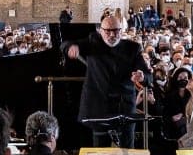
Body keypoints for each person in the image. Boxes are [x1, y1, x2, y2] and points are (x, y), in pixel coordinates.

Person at [63, 13, 150, 147]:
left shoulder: (132, 48)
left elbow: (148, 76)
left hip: (124, 107)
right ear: (100, 31)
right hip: (99, 107)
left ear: (121, 31)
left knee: (127, 150)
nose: (111, 35)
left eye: (115, 31)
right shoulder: (93, 42)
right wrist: (71, 47)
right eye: (107, 31)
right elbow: (65, 44)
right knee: (100, 151)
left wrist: (142, 76)